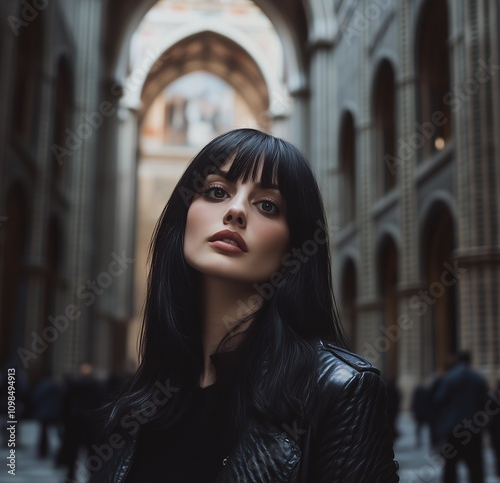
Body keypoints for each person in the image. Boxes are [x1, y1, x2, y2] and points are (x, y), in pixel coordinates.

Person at [91, 128, 399, 482]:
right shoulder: (139, 403)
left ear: (293, 246)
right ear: (184, 213)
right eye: (217, 191)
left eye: (267, 205)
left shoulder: (341, 391)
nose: (236, 211)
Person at [433, 350, 489, 483]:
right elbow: (486, 403)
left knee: (450, 466)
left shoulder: (450, 377)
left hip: (452, 429)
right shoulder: (478, 378)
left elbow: (439, 400)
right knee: (475, 467)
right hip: (472, 428)